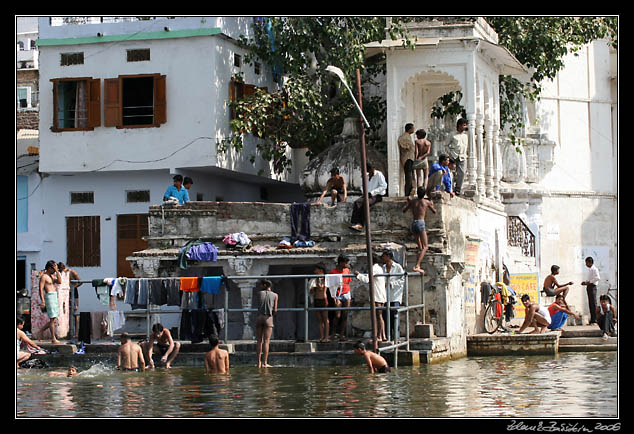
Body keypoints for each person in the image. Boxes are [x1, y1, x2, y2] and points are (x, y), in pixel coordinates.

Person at [403, 187, 436, 274]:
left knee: (420, 248)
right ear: (424, 194)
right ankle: (417, 266)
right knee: (425, 247)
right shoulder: (426, 202)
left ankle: (419, 266)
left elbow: (404, 210)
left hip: (414, 223)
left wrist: (408, 202)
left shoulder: (413, 202)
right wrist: (432, 204)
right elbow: (434, 211)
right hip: (421, 223)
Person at [354, 255, 387, 342]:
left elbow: (367, 279)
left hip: (377, 295)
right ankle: (382, 335)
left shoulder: (374, 268)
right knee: (379, 316)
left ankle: (379, 336)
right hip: (380, 294)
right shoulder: (379, 268)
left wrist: (358, 275)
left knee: (378, 316)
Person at [350, 163, 387, 232]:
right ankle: (356, 222)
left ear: (373, 169)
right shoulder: (366, 176)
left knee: (366, 203)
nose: (370, 172)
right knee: (357, 202)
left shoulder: (379, 174)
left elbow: (384, 186)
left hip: (377, 195)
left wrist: (372, 192)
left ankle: (361, 224)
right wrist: (364, 192)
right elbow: (362, 186)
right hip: (367, 194)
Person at [381, 250, 405, 341]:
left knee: (395, 315)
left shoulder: (398, 267)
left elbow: (402, 279)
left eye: (384, 256)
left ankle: (396, 336)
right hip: (385, 296)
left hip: (395, 296)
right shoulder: (383, 267)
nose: (383, 258)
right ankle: (387, 335)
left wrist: (391, 283)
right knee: (386, 316)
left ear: (388, 256)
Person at [328, 255, 353, 341]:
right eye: (345, 262)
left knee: (345, 315)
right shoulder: (333, 272)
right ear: (341, 263)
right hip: (337, 294)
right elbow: (330, 286)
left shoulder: (347, 271)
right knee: (337, 315)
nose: (346, 264)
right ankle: (333, 334)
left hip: (346, 293)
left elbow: (348, 282)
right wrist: (334, 297)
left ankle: (342, 335)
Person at [255, 279, 278, 368]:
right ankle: (265, 363)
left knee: (259, 341)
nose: (260, 286)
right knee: (266, 341)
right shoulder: (275, 295)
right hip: (268, 317)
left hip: (259, 317)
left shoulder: (259, 293)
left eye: (261, 285)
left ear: (264, 285)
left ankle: (258, 363)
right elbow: (275, 310)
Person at [39, 260, 62, 344]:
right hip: (49, 297)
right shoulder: (44, 277)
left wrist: (57, 271)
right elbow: (41, 289)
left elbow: (59, 281)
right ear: (49, 268)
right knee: (52, 318)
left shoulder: (51, 276)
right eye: (53, 268)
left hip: (54, 296)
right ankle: (53, 338)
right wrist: (43, 301)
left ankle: (41, 330)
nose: (54, 270)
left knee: (54, 319)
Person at [58, 263, 82, 341]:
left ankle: (77, 333)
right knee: (65, 313)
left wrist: (72, 287)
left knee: (75, 313)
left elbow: (80, 282)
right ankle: (68, 332)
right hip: (64, 294)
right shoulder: (59, 273)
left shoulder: (72, 272)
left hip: (73, 293)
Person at [446, 118, 468, 195]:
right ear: (459, 125)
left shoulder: (465, 136)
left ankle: (458, 189)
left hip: (462, 156)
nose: (465, 127)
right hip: (453, 155)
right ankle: (450, 188)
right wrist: (449, 153)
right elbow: (446, 145)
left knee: (461, 173)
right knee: (451, 173)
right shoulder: (452, 134)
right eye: (464, 125)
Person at [309, 265, 330, 342]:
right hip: (316, 300)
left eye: (316, 269)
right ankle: (321, 336)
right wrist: (313, 288)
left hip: (323, 300)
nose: (314, 271)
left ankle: (326, 337)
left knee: (325, 319)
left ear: (320, 270)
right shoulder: (314, 280)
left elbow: (323, 289)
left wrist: (320, 287)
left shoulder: (325, 279)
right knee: (319, 319)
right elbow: (311, 292)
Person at [581, 257, 600, 325]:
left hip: (592, 286)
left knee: (593, 303)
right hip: (589, 286)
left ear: (590, 262)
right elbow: (590, 279)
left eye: (586, 263)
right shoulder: (590, 269)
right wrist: (585, 282)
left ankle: (595, 319)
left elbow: (597, 278)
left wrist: (590, 282)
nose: (586, 264)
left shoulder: (594, 269)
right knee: (590, 303)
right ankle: (592, 319)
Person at [398, 123, 416, 197]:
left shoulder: (408, 136)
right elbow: (403, 145)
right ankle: (407, 193)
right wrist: (407, 147)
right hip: (407, 158)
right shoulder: (404, 137)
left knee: (410, 175)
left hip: (410, 158)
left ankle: (411, 190)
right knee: (408, 176)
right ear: (410, 129)